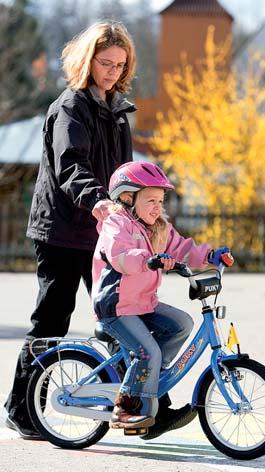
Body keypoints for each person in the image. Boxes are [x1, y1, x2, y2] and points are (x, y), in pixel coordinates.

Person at [5, 21, 137, 440]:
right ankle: (22, 410)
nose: (113, 71)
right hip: (63, 230)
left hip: (104, 233)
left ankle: (139, 404)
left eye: (120, 64)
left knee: (124, 316)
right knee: (51, 322)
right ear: (87, 61)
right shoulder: (70, 108)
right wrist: (97, 199)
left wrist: (138, 211)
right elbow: (71, 165)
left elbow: (126, 175)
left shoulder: (118, 113)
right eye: (105, 63)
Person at [92, 160, 230, 439]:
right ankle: (125, 409)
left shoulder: (157, 228)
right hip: (116, 306)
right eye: (151, 200)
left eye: (161, 200)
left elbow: (182, 248)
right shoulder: (117, 224)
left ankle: (149, 375)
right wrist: (149, 259)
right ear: (128, 199)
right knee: (148, 352)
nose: (158, 207)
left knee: (181, 323)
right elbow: (120, 256)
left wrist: (209, 256)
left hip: (143, 303)